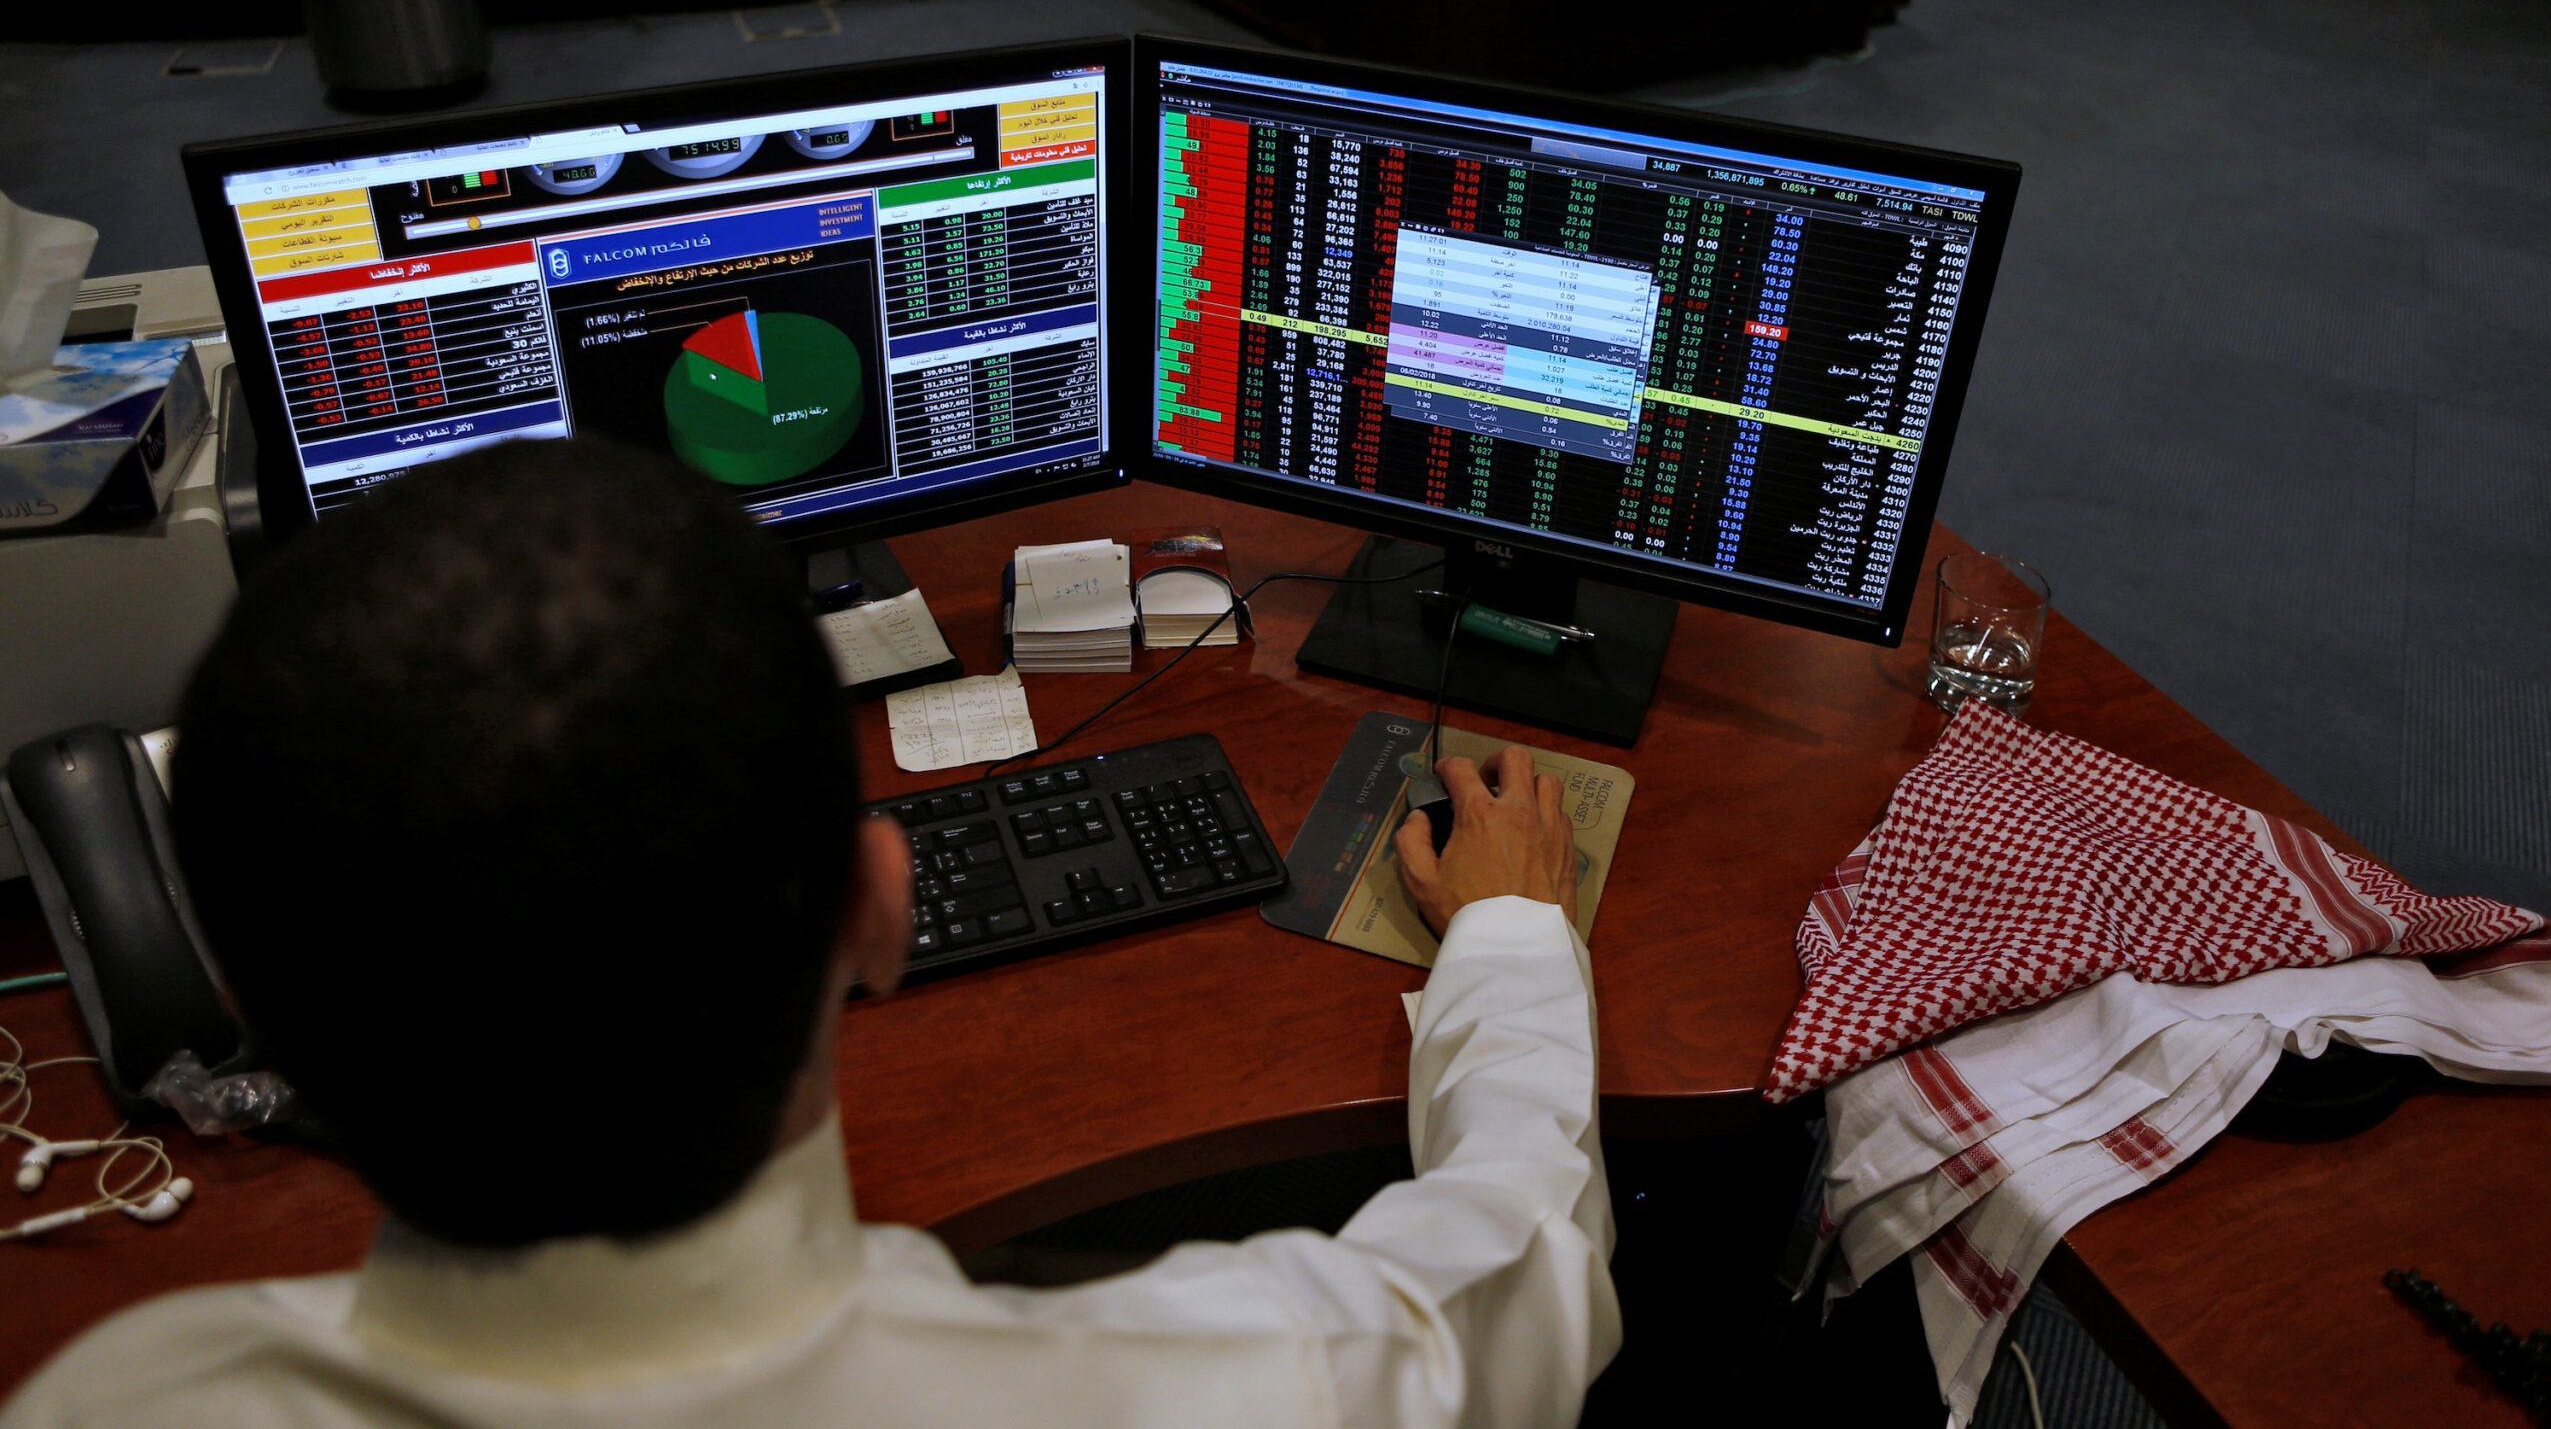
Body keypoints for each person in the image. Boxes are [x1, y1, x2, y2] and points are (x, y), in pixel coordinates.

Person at [1, 439, 1616, 1429]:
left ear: (230, 980)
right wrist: (1516, 939)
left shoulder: (109, 1400)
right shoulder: (1252, 1391)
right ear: (884, 904)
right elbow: (1527, 1257)